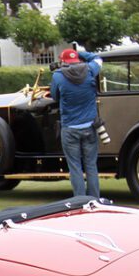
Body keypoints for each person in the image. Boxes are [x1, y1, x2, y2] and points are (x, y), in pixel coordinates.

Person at [50, 46, 104, 199]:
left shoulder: (58, 76)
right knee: (91, 166)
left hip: (70, 128)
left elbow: (55, 96)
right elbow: (98, 58)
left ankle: (80, 202)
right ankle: (95, 200)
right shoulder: (90, 70)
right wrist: (80, 53)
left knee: (75, 167)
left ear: (63, 62)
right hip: (90, 126)